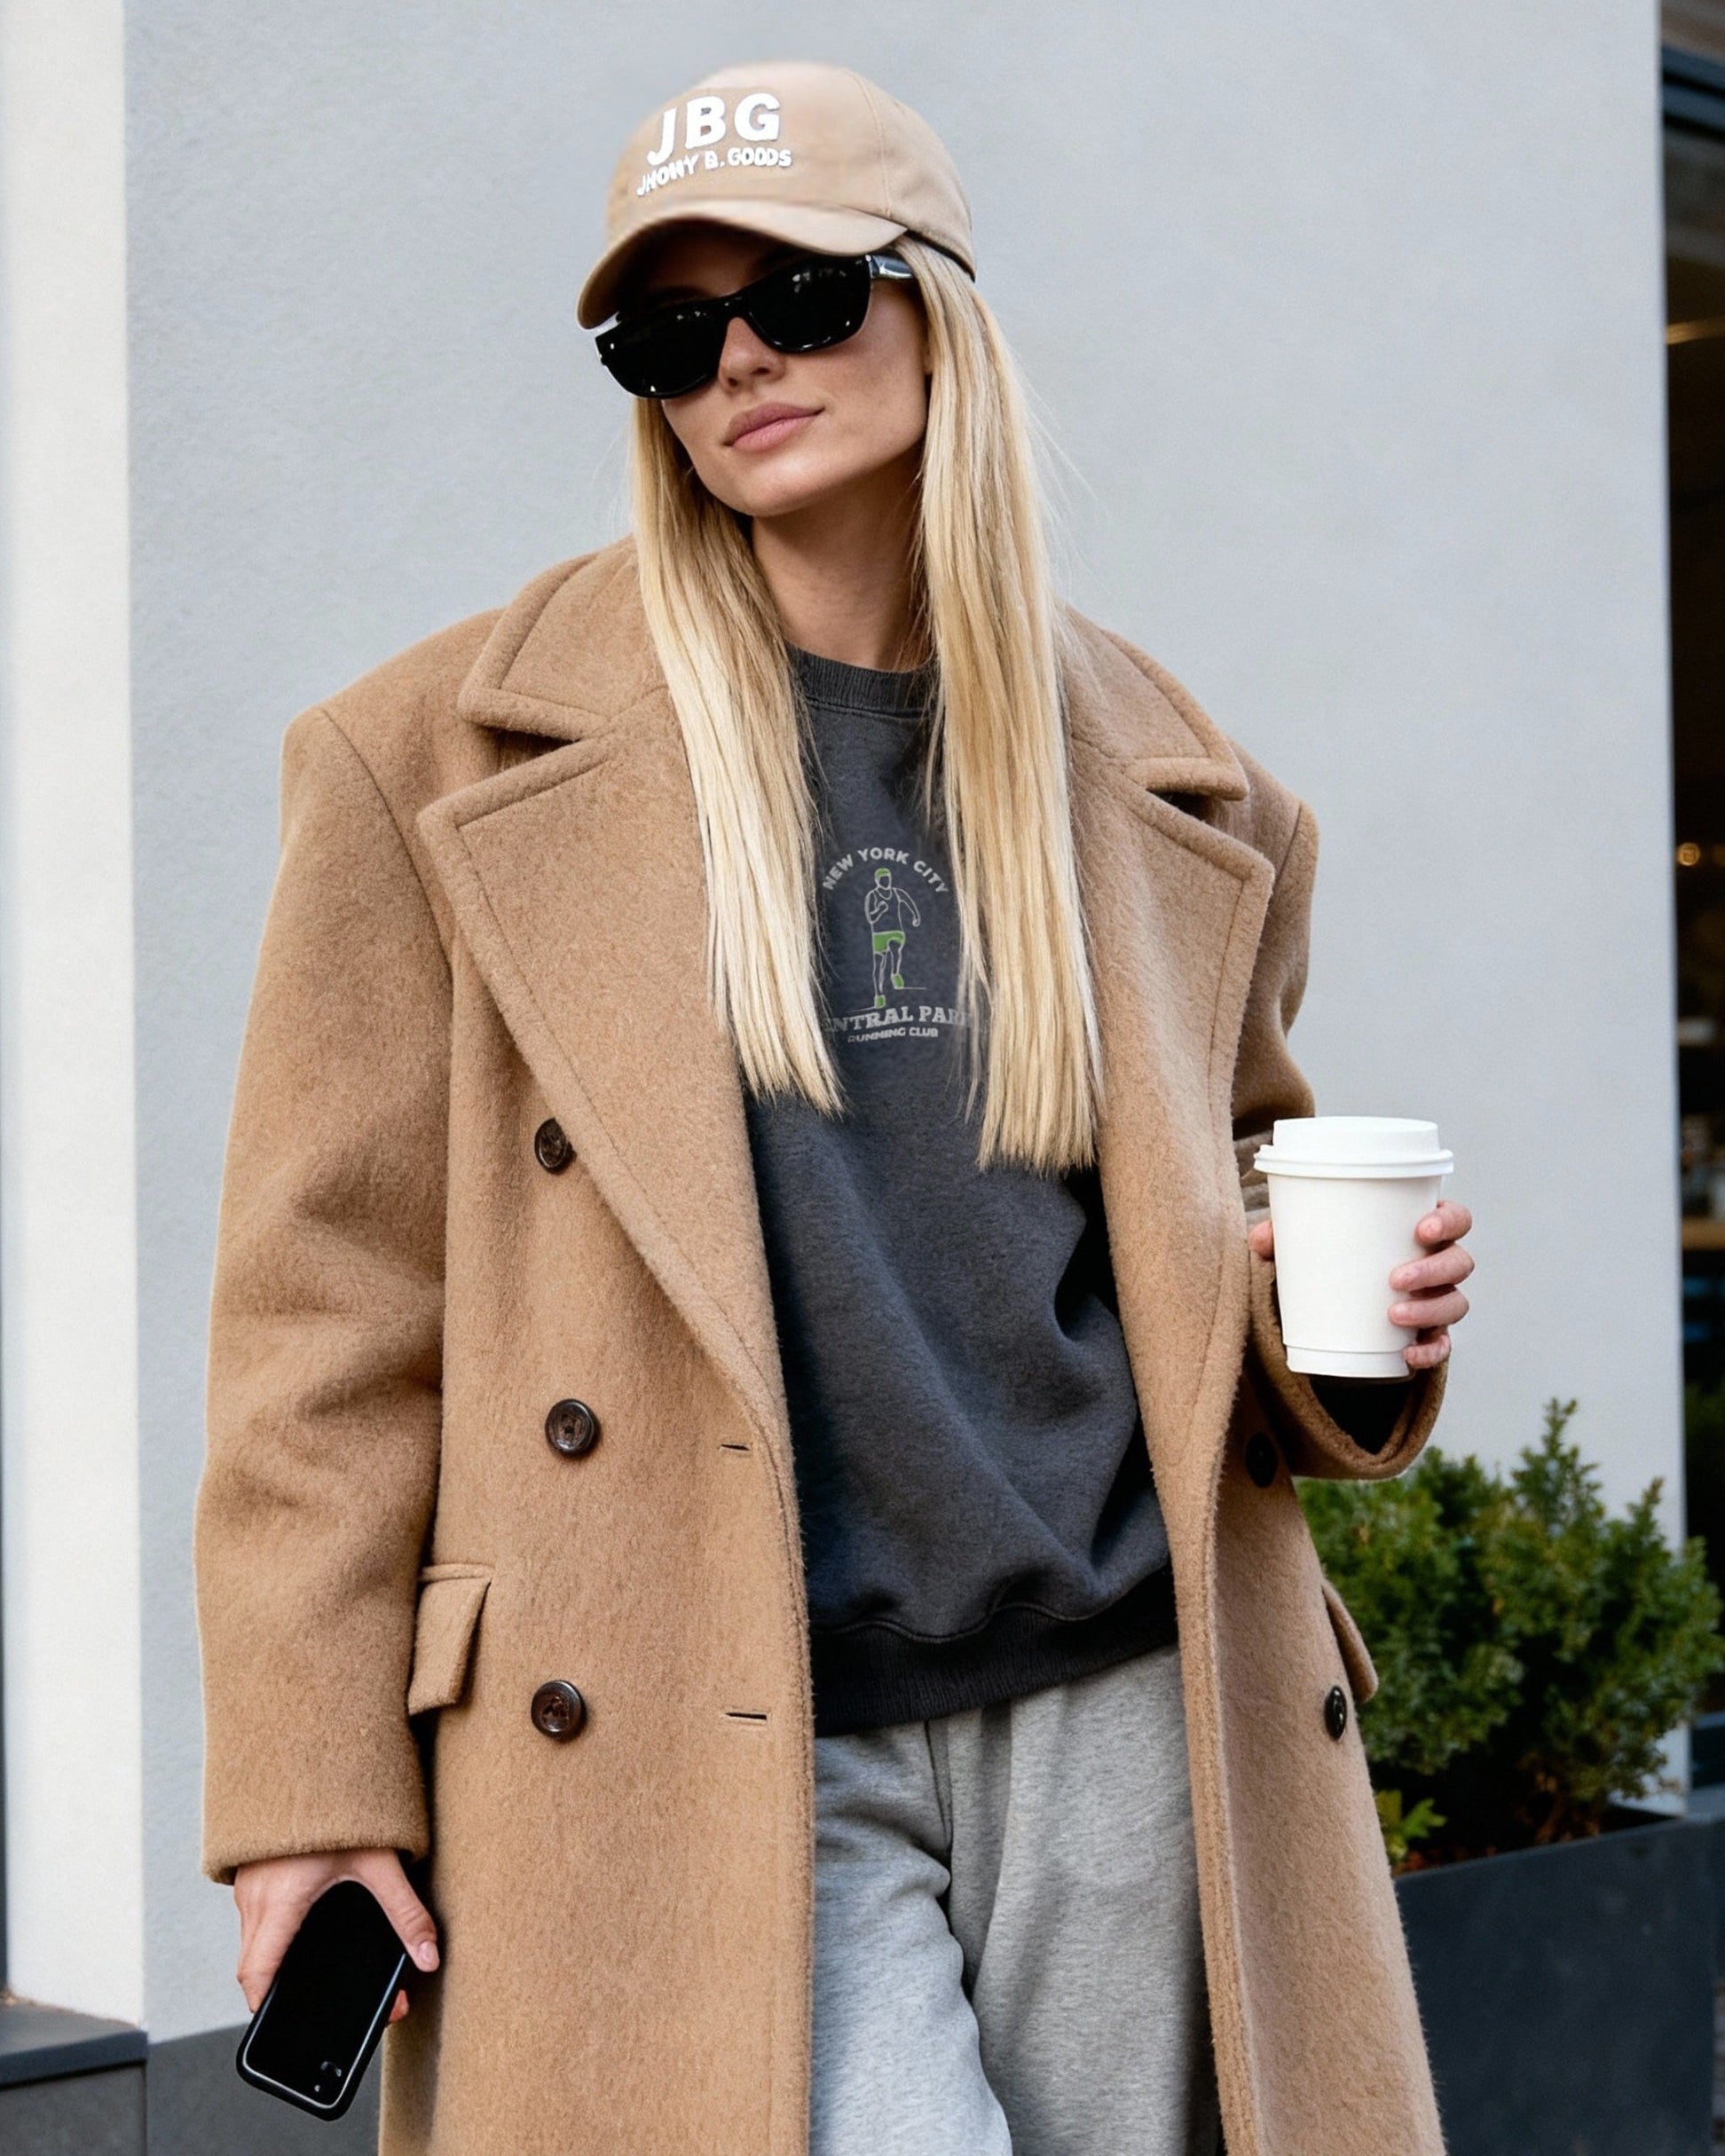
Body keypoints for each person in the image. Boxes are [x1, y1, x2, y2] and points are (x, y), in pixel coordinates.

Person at [194, 59, 1475, 2156]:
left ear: (938, 303)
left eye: (798, 294)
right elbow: (321, 1326)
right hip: (715, 1734)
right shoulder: (425, 770)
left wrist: (1344, 1322)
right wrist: (306, 1787)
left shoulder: (1185, 794)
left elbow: (1222, 1234)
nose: (738, 368)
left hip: (1126, 1703)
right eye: (669, 336)